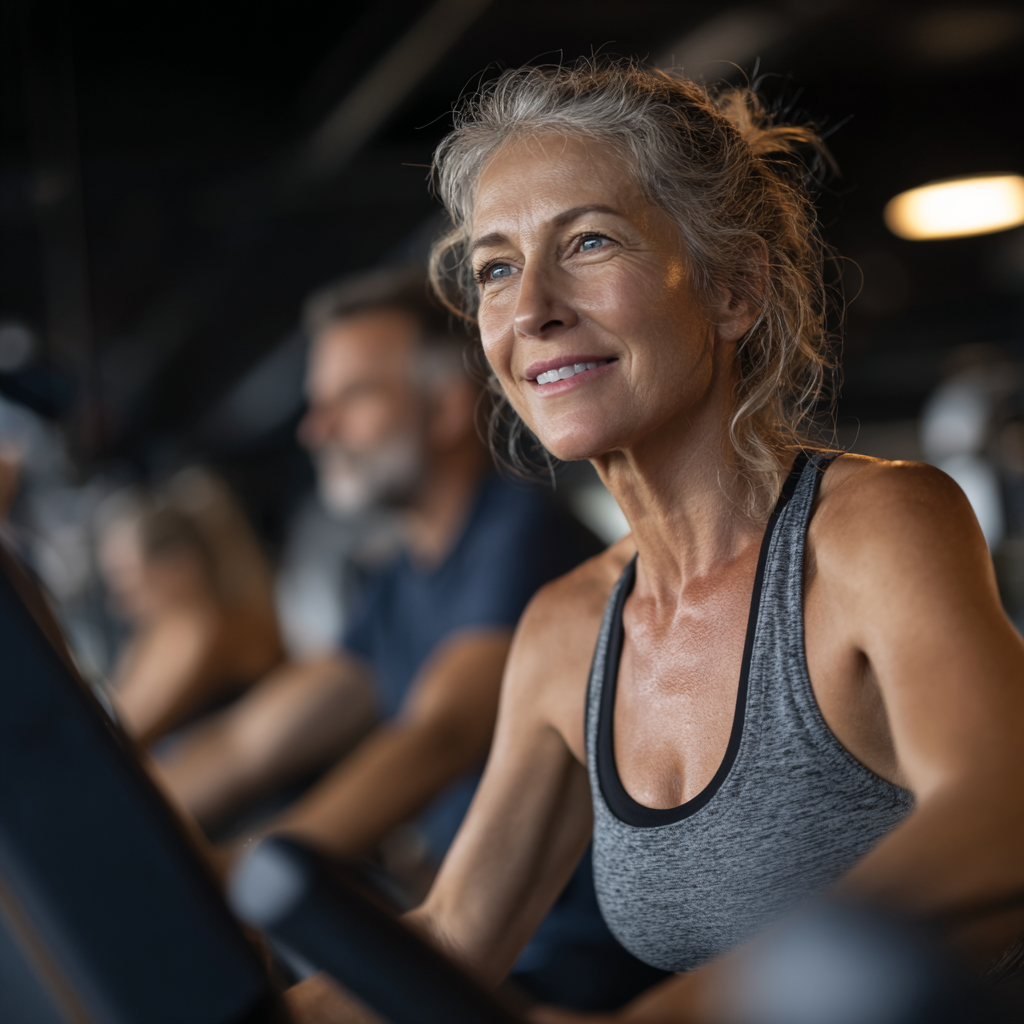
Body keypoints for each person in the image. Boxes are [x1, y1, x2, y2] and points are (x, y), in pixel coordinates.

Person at [287, 60, 1024, 1022]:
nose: (533, 309)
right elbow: (453, 935)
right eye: (498, 268)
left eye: (588, 242)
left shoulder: (869, 530)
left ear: (735, 290)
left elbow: (1003, 812)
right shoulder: (565, 632)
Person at [159, 268, 665, 1010]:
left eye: (351, 399)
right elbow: (250, 741)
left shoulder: (520, 534)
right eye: (317, 404)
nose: (315, 428)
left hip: (579, 957)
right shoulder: (399, 579)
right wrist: (124, 837)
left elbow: (441, 734)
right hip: (487, 935)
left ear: (447, 408)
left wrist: (236, 882)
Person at [97, 468, 285, 746]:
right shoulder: (156, 634)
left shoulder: (208, 627)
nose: (117, 601)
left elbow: (128, 731)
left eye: (127, 578)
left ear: (179, 564)